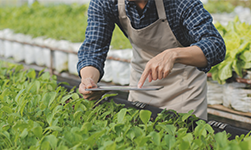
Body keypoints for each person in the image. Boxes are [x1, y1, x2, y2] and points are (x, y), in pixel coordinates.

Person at [77, 0, 226, 120]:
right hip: (141, 85)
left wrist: (173, 54)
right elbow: (94, 48)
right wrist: (89, 80)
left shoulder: (179, 2)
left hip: (184, 90)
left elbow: (215, 45)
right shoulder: (106, 2)